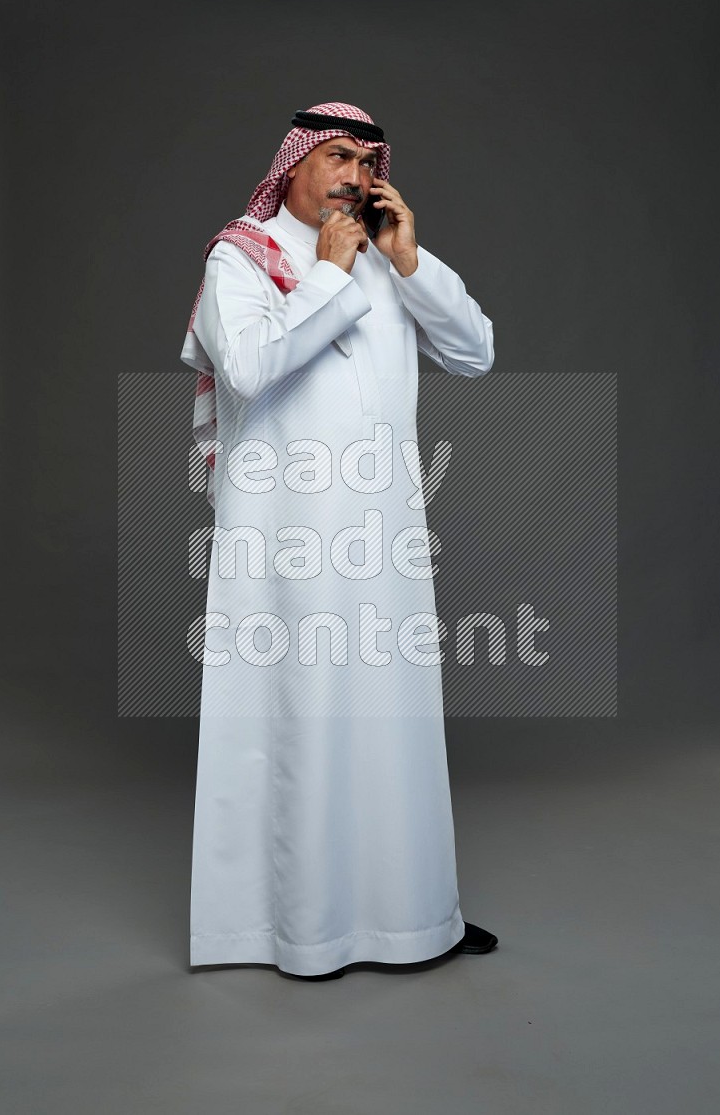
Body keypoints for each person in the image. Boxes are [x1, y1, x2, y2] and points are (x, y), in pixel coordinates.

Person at [180, 102, 497, 979]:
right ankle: (295, 933)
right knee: (303, 720)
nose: (355, 176)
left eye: (367, 160)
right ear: (292, 166)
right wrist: (327, 275)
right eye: (337, 156)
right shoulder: (239, 257)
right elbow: (247, 364)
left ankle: (414, 920)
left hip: (384, 539)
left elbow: (476, 353)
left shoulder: (385, 259)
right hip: (285, 542)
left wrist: (410, 262)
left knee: (393, 725)